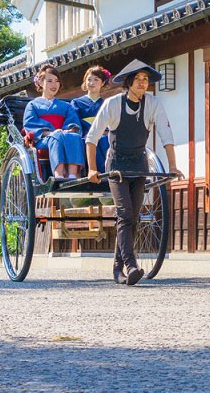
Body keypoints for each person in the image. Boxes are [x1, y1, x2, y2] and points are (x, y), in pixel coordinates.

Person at [86, 59, 179, 286]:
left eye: (145, 79)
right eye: (137, 79)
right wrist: (91, 169)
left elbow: (166, 134)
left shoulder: (153, 103)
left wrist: (173, 166)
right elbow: (92, 137)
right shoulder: (113, 104)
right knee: (125, 212)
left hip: (139, 164)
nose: (142, 83)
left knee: (132, 217)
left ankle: (118, 269)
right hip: (116, 165)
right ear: (128, 83)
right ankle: (131, 265)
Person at [22, 63, 85, 180]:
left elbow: (73, 123)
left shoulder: (66, 106)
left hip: (64, 134)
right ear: (40, 82)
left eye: (56, 81)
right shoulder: (33, 105)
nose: (54, 84)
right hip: (44, 139)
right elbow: (30, 124)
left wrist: (68, 131)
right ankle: (59, 174)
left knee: (75, 137)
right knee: (56, 137)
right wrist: (50, 133)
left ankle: (73, 174)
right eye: (49, 81)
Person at [72, 65, 111, 173]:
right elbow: (75, 123)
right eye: (89, 79)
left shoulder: (106, 104)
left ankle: (110, 170)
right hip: (85, 136)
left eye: (96, 80)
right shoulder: (77, 103)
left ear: (102, 83)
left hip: (104, 135)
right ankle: (96, 171)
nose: (91, 83)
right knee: (95, 140)